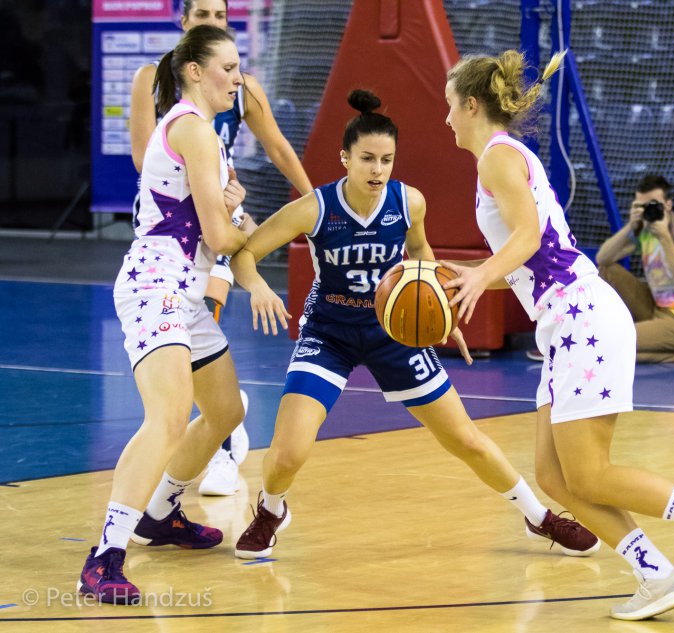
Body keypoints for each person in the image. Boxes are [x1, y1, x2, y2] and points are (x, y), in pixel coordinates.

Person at [441, 50, 674, 621]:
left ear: (471, 105)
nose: (445, 119)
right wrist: (464, 277)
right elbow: (530, 256)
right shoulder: (503, 157)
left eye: (449, 106)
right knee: (555, 477)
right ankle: (657, 574)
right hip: (564, 320)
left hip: (581, 316)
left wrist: (481, 273)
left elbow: (528, 236)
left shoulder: (496, 157)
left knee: (591, 473)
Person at [228, 89, 599, 562]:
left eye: (386, 160)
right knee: (288, 452)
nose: (377, 169)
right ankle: (271, 509)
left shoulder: (409, 203)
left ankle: (538, 516)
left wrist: (441, 310)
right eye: (367, 159)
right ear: (345, 159)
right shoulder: (315, 208)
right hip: (329, 334)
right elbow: (244, 254)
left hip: (394, 333)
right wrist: (258, 286)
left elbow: (421, 253)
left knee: (465, 439)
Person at [78, 25, 251, 604]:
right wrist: (245, 222)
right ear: (195, 71)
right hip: (155, 285)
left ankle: (160, 513)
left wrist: (236, 217)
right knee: (169, 416)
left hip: (186, 289)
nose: (238, 77)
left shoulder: (206, 134)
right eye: (228, 67)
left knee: (226, 411)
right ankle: (105, 555)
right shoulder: (192, 129)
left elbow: (224, 228)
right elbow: (223, 236)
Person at [129, 0, 313, 494]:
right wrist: (199, 176)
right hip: (176, 215)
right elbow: (144, 157)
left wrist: (315, 202)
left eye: (220, 16)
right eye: (203, 15)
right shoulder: (155, 81)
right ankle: (220, 430)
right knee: (185, 351)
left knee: (204, 322)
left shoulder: (240, 87)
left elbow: (277, 146)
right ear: (184, 23)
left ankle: (223, 443)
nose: (213, 22)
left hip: (218, 209)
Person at [595, 174, 674, 363]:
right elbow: (602, 258)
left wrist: (664, 237)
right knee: (607, 269)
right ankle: (658, 342)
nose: (648, 210)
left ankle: (673, 354)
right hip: (655, 306)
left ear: (668, 205)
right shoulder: (644, 228)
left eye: (653, 205)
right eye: (642, 206)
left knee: (614, 341)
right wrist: (631, 226)